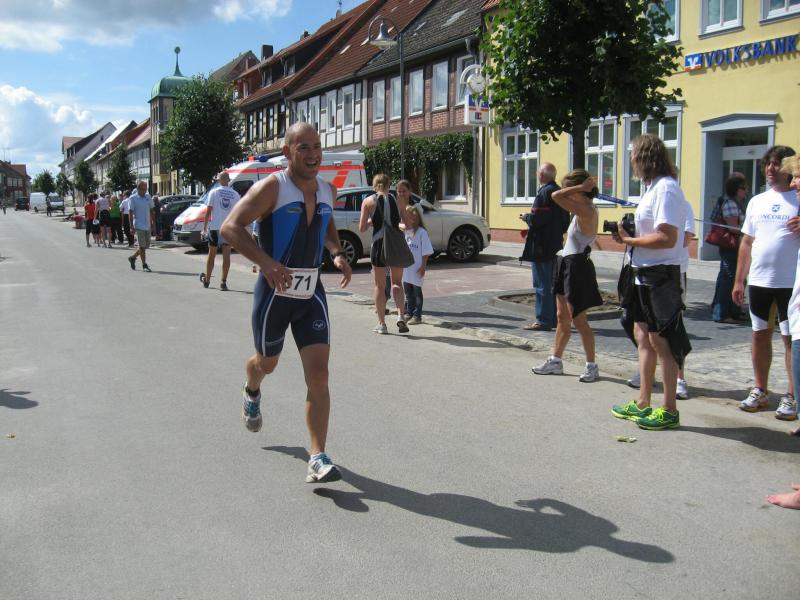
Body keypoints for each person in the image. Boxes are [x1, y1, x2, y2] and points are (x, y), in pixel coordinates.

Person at [220, 122, 352, 484]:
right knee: (267, 363)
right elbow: (230, 227)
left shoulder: (327, 189)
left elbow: (327, 224)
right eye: (303, 147)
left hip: (310, 294)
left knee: (319, 376)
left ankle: (317, 456)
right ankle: (252, 388)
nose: (313, 154)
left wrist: (336, 252)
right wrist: (266, 263)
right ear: (287, 152)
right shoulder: (272, 187)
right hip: (274, 295)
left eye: (317, 146)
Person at [611, 134, 690, 430]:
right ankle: (644, 401)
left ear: (645, 157)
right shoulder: (652, 188)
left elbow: (667, 237)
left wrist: (629, 240)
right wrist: (630, 236)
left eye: (633, 154)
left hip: (660, 275)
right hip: (644, 272)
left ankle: (669, 409)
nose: (631, 159)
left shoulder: (667, 188)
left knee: (661, 341)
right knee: (642, 335)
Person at [732, 145, 798, 419]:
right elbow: (747, 242)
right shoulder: (757, 201)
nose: (770, 169)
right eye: (767, 163)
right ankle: (760, 389)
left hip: (790, 283)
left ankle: (792, 395)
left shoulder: (798, 197)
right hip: (760, 280)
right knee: (759, 334)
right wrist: (739, 281)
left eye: (777, 164)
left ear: (789, 168)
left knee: (790, 340)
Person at [532, 170, 603, 382]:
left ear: (578, 190)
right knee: (562, 316)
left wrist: (580, 188)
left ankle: (591, 365)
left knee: (579, 320)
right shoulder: (579, 209)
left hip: (577, 267)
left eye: (569, 189)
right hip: (566, 262)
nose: (567, 193)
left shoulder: (586, 209)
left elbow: (555, 196)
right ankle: (555, 360)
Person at [359, 173, 410, 334]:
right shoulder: (399, 200)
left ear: (375, 185)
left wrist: (372, 221)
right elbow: (408, 224)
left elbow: (362, 228)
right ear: (389, 185)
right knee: (397, 283)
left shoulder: (368, 201)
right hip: (396, 243)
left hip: (379, 244)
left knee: (380, 286)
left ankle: (382, 324)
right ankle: (401, 315)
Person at [520, 163, 568, 331]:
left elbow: (538, 219)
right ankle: (553, 319)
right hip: (556, 244)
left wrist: (527, 217)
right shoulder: (559, 192)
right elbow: (565, 222)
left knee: (542, 284)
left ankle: (543, 320)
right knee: (552, 283)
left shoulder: (544, 193)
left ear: (540, 175)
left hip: (541, 245)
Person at [710, 173, 747, 323]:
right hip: (731, 246)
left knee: (731, 278)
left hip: (736, 246)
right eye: (743, 188)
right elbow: (733, 227)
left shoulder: (737, 203)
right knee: (729, 279)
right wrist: (749, 233)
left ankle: (733, 311)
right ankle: (721, 313)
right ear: (736, 189)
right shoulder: (731, 203)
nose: (746, 191)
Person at [200, 172, 241, 291]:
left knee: (211, 254)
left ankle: (207, 280)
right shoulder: (235, 194)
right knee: (226, 255)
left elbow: (208, 211)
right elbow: (238, 212)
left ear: (219, 180)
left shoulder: (213, 192)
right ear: (228, 180)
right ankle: (223, 282)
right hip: (228, 227)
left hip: (215, 227)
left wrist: (204, 228)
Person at [401, 201, 433, 325]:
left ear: (414, 218)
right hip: (406, 268)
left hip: (417, 268)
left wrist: (423, 266)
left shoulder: (421, 233)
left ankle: (417, 315)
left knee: (417, 293)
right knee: (408, 293)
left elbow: (426, 252)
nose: (404, 220)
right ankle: (409, 312)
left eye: (407, 218)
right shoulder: (407, 231)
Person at [127, 181, 154, 272]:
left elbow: (151, 209)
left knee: (146, 246)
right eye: (142, 189)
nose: (144, 191)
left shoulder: (148, 197)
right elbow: (130, 212)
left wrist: (153, 223)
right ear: (138, 189)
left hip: (147, 225)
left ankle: (133, 257)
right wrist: (131, 226)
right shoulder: (133, 198)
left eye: (145, 189)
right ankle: (144, 265)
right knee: (142, 246)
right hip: (138, 225)